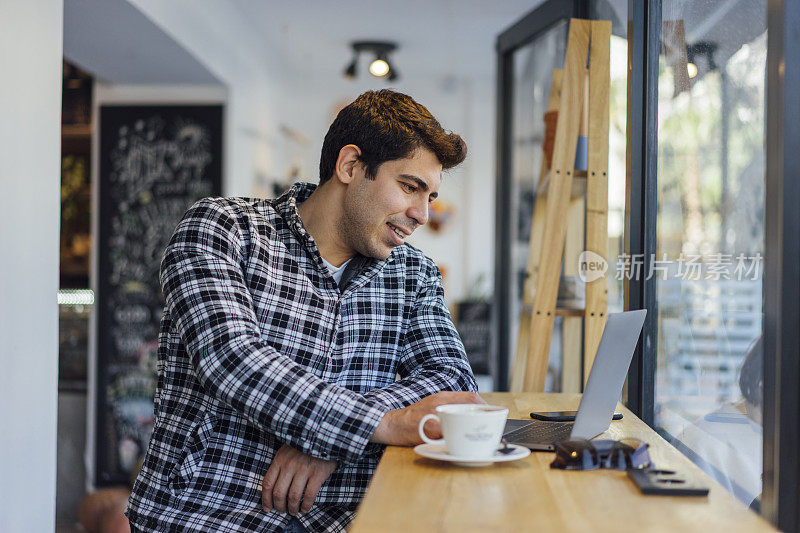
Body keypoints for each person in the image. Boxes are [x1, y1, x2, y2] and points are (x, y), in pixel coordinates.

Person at [126, 89, 481, 532]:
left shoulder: (414, 273)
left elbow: (450, 379)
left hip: (346, 519)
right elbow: (233, 360)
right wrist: (383, 423)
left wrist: (331, 438)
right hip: (209, 513)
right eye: (410, 187)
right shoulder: (222, 230)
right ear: (350, 166)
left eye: (429, 196)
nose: (422, 214)